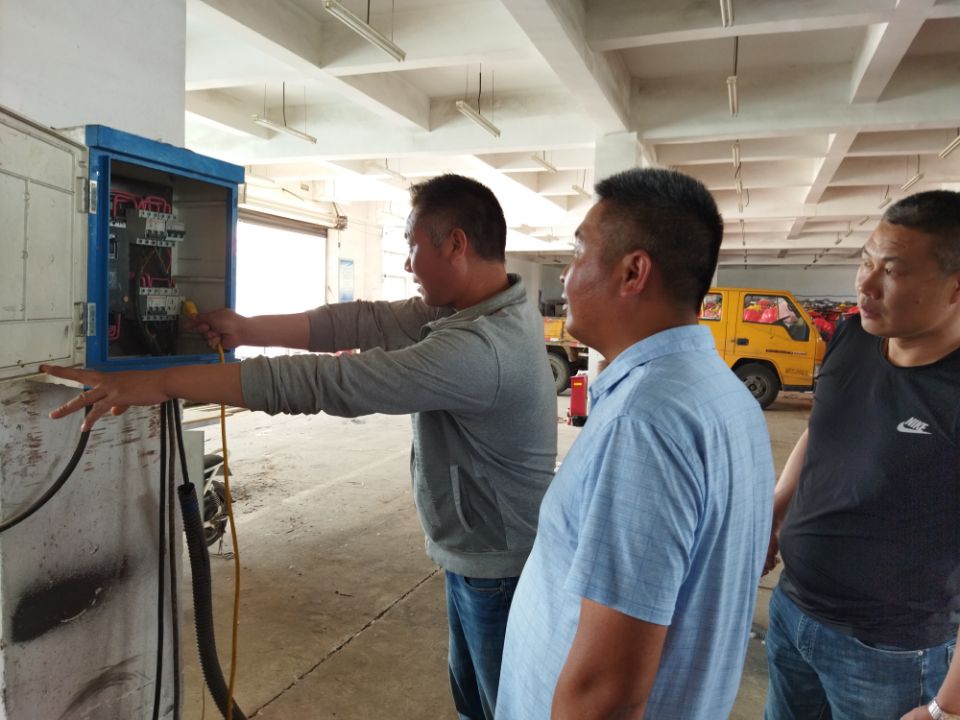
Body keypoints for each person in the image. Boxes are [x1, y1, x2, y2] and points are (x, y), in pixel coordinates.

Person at [42, 173, 558, 720]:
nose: (408, 264)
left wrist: (163, 382)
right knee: (477, 705)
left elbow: (332, 382)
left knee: (503, 710)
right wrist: (247, 329)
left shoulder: (482, 347)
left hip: (500, 567)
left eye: (412, 246)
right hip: (478, 552)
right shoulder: (475, 308)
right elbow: (360, 321)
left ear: (455, 243)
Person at [495, 167, 775, 719]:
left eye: (578, 252)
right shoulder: (721, 392)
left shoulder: (644, 423)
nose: (565, 276)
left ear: (633, 272)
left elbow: (607, 693)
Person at [763, 190, 960, 720]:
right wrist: (778, 509)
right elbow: (823, 429)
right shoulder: (851, 336)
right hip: (793, 607)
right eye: (866, 261)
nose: (866, 285)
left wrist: (947, 707)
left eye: (891, 271)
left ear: (956, 287)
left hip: (888, 652)